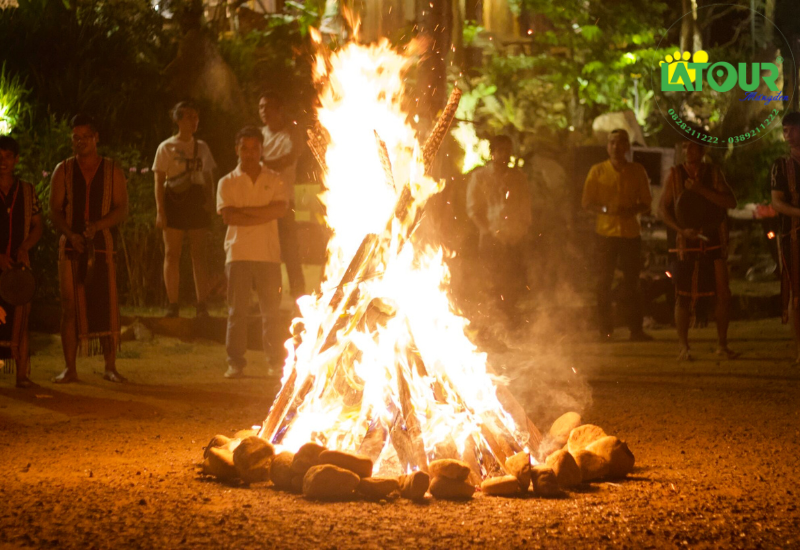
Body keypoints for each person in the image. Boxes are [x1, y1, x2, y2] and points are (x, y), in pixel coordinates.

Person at [49, 114, 129, 383]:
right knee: (69, 306)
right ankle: (70, 368)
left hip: (102, 244)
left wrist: (98, 226)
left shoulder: (112, 170)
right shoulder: (63, 170)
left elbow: (122, 208)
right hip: (70, 245)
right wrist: (70, 234)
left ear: (96, 138)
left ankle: (110, 367)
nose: (80, 142)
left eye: (85, 137)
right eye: (76, 137)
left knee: (106, 304)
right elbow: (54, 210)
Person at [217, 126, 288, 378]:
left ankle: (276, 362)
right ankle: (235, 362)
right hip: (238, 253)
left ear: (261, 149)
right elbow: (228, 216)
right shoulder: (226, 182)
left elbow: (279, 211)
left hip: (268, 255)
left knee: (271, 312)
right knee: (238, 311)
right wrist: (263, 211)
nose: (249, 153)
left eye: (254, 148)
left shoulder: (275, 178)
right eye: (244, 148)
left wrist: (244, 213)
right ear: (237, 149)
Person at [659, 135, 737, 361]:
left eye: (692, 146)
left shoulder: (714, 173)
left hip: (713, 238)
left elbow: (730, 203)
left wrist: (701, 190)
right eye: (684, 146)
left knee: (723, 293)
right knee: (682, 296)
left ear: (702, 150)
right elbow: (662, 210)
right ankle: (683, 347)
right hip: (685, 242)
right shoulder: (674, 174)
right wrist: (681, 230)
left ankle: (722, 345)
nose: (687, 150)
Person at [582, 129, 653, 342]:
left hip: (630, 234)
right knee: (603, 282)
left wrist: (630, 210)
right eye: (612, 142)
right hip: (605, 234)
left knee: (632, 282)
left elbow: (646, 203)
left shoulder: (637, 171)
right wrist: (606, 210)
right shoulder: (597, 171)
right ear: (607, 146)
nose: (616, 147)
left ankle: (636, 330)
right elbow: (586, 203)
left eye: (621, 142)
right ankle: (605, 331)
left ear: (627, 147)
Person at [153, 101, 216, 318]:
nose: (194, 121)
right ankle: (173, 304)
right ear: (178, 120)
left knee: (199, 254)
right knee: (172, 253)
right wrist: (160, 211)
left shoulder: (203, 147)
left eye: (196, 117)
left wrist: (211, 201)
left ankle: (202, 304)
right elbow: (159, 180)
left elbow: (208, 177)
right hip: (174, 199)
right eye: (189, 116)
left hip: (196, 200)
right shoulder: (166, 147)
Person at [466, 135, 532, 325]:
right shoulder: (480, 177)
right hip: (490, 238)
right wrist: (487, 231)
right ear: (492, 153)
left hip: (514, 236)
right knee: (492, 282)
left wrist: (522, 229)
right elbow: (473, 209)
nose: (505, 155)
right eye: (501, 150)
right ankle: (492, 324)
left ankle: (510, 321)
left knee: (513, 281)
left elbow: (525, 206)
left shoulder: (518, 177)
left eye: (508, 150)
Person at [0, 136, 43, 388]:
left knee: (21, 319)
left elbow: (37, 224)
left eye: (7, 157)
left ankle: (22, 376)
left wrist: (25, 246)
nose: (2, 162)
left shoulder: (27, 190)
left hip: (19, 267)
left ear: (16, 159)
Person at [259, 92, 306, 300]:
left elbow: (287, 159)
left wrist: (260, 166)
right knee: (265, 256)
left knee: (290, 255)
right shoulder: (258, 136)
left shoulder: (290, 135)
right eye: (260, 107)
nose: (263, 111)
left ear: (279, 110)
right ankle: (268, 301)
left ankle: (300, 302)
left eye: (268, 107)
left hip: (284, 203)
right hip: (261, 204)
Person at [769, 111, 800, 365]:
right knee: (797, 294)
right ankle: (799, 351)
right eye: (785, 130)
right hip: (794, 236)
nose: (788, 135)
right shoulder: (782, 165)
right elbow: (777, 203)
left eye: (793, 129)